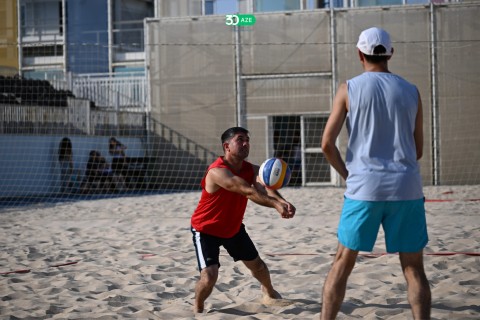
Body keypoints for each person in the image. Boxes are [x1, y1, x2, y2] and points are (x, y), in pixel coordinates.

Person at [320, 27, 431, 319]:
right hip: (406, 187)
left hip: (364, 187)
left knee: (342, 263)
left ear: (360, 54)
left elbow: (326, 145)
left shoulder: (349, 88)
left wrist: (348, 175)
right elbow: (417, 150)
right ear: (390, 53)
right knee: (413, 268)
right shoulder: (411, 91)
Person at [190, 127, 296, 313]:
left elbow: (264, 184)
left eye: (247, 139)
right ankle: (197, 309)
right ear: (227, 146)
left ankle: (269, 293)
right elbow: (248, 190)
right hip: (206, 229)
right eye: (240, 140)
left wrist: (282, 201)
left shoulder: (250, 168)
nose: (246, 143)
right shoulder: (217, 171)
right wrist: (275, 205)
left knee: (259, 266)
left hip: (232, 228)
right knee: (209, 277)